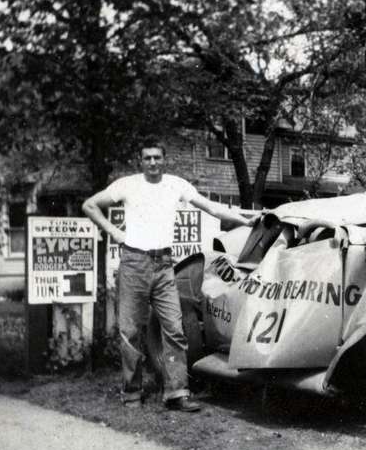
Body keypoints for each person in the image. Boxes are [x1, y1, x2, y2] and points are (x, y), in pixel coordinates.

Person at [82, 139, 252, 412]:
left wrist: (246, 219)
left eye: (157, 158)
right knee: (130, 331)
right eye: (147, 158)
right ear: (141, 161)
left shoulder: (176, 185)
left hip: (164, 265)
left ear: (164, 159)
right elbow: (90, 205)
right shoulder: (127, 185)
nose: (152, 163)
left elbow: (212, 207)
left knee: (174, 329)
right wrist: (114, 233)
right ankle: (132, 393)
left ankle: (176, 393)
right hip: (134, 262)